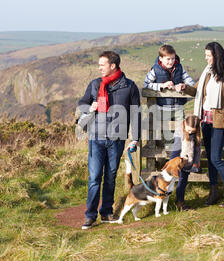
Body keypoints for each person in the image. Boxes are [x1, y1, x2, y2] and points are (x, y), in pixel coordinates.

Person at [78, 51, 141, 229]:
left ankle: (106, 213)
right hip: (96, 138)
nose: (99, 68)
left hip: (117, 139)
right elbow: (81, 103)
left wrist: (135, 139)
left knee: (111, 177)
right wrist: (90, 107)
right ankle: (90, 216)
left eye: (102, 65)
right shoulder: (95, 84)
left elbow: (136, 114)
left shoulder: (129, 86)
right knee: (95, 177)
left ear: (113, 66)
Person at [184, 42, 224, 207]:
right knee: (210, 156)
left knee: (216, 158)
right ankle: (214, 192)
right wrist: (183, 87)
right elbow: (196, 92)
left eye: (208, 55)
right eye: (206, 55)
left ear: (217, 56)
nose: (206, 58)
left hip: (220, 121)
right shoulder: (207, 73)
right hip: (205, 120)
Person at [143, 44, 195, 211]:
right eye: (168, 59)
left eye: (173, 58)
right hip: (163, 109)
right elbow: (146, 84)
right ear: (161, 59)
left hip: (178, 107)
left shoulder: (179, 67)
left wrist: (183, 87)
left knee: (180, 136)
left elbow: (190, 82)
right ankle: (167, 169)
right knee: (165, 139)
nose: (171, 62)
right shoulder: (155, 69)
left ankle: (177, 160)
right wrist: (161, 86)